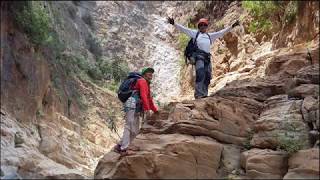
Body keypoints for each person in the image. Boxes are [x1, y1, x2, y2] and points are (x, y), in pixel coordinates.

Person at [167, 17, 240, 99]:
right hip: (199, 57)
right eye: (201, 25)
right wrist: (174, 23)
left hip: (207, 58)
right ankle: (198, 94)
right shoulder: (195, 33)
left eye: (204, 25)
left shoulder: (210, 36)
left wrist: (232, 26)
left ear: (206, 26)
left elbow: (221, 32)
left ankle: (204, 94)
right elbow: (184, 29)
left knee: (208, 76)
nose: (202, 26)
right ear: (198, 26)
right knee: (200, 73)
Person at [114, 67, 158, 156]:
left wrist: (155, 110)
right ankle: (124, 149)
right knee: (129, 126)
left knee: (135, 129)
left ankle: (120, 145)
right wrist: (147, 109)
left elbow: (149, 99)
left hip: (136, 107)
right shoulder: (142, 81)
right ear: (144, 74)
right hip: (132, 103)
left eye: (151, 73)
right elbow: (143, 96)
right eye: (149, 73)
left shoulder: (146, 84)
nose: (151, 75)